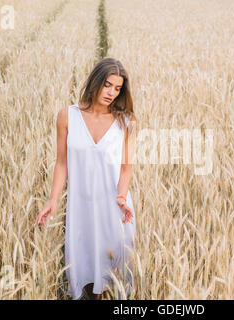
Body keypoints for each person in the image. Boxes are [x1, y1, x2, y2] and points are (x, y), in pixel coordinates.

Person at [34, 57, 137, 300]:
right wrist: (52, 200)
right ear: (95, 81)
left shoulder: (127, 122)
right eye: (107, 85)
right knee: (87, 281)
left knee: (114, 283)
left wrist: (122, 197)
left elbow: (125, 168)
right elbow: (62, 162)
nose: (112, 92)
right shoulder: (67, 116)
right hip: (81, 210)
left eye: (118, 88)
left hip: (114, 209)